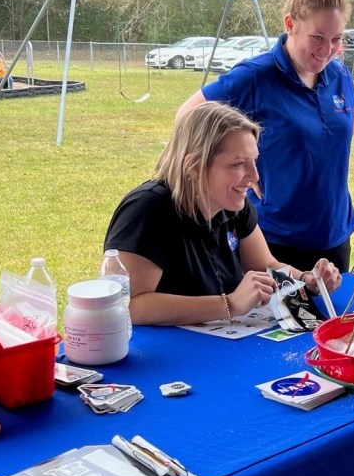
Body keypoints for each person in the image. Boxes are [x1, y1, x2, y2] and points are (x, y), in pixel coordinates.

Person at [176, 0, 354, 274]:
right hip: (274, 239)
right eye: (317, 37)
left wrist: (319, 151)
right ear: (290, 24)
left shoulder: (339, 76)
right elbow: (188, 116)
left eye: (336, 40)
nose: (326, 50)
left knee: (335, 308)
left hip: (335, 235)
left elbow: (351, 116)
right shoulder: (255, 77)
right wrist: (241, 166)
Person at [103, 100, 341, 326]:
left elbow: (266, 265)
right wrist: (229, 304)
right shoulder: (147, 210)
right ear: (194, 166)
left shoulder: (233, 204)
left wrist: (307, 280)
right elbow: (129, 304)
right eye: (238, 164)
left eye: (254, 161)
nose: (254, 176)